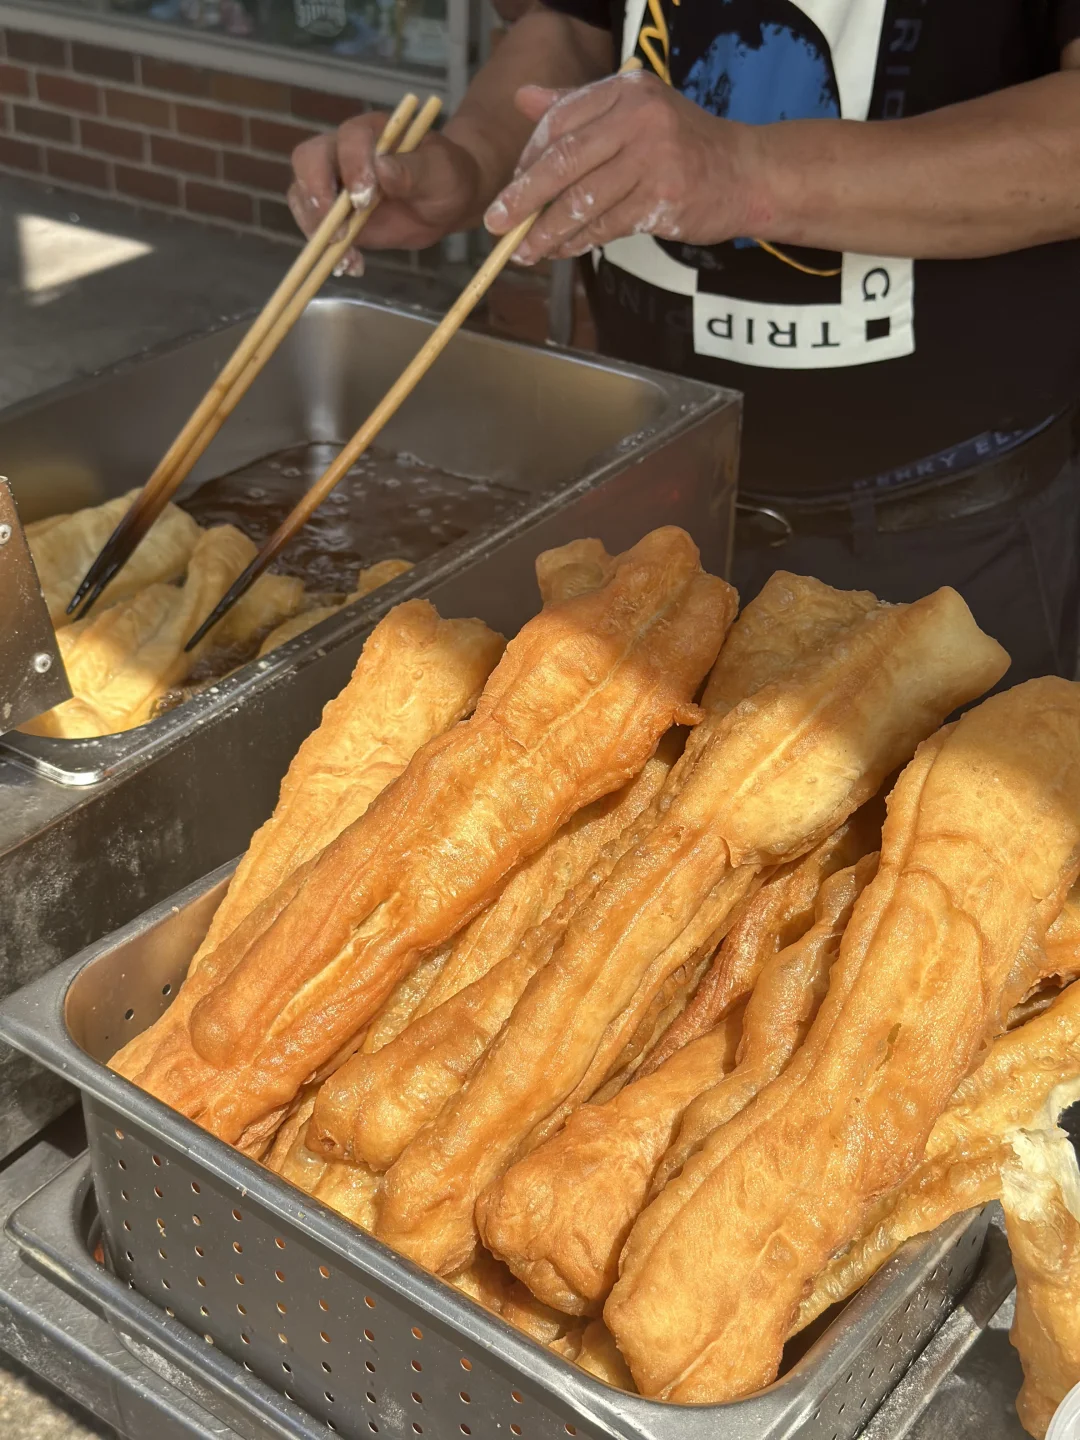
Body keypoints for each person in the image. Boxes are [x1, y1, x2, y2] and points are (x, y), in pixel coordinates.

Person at [289, 1, 1080, 684]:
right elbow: (576, 24)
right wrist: (470, 162)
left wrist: (745, 173)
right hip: (657, 480)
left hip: (945, 530)